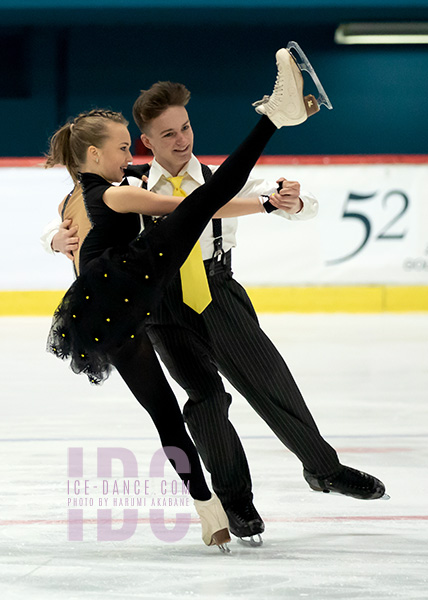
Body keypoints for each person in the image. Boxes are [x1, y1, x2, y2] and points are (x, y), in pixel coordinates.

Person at [42, 44, 387, 546]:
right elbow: (85, 219)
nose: (181, 139)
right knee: (205, 400)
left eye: (185, 128)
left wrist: (282, 202)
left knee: (269, 382)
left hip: (217, 291)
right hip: (159, 303)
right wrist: (53, 239)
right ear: (147, 142)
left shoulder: (207, 176)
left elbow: (240, 201)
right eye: (168, 134)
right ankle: (236, 506)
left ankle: (323, 469)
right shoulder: (130, 183)